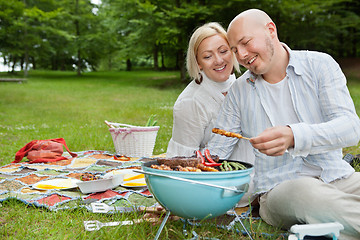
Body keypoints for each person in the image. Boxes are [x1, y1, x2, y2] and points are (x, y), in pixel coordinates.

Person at [208, 9, 360, 239]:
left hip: (337, 177)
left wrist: (294, 136)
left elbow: (350, 129)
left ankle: (330, 229)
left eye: (246, 42)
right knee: (305, 192)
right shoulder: (238, 91)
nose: (241, 55)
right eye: (234, 49)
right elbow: (216, 152)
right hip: (280, 190)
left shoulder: (320, 65)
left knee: (325, 200)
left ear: (271, 30)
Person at [166, 22, 254, 166]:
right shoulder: (190, 102)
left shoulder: (246, 84)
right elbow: (182, 162)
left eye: (223, 51)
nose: (219, 60)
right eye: (207, 56)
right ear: (198, 63)